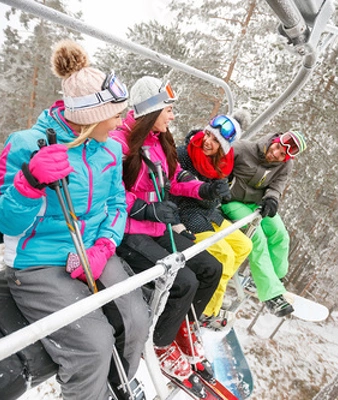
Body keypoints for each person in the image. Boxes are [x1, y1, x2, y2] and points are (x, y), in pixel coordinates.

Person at [0, 40, 149, 400]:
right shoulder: (27, 144)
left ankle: (119, 383)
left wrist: (104, 246)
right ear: (92, 115)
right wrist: (28, 183)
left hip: (92, 251)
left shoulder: (109, 148)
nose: (123, 121)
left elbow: (117, 204)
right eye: (116, 114)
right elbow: (3, 219)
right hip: (38, 263)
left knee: (137, 318)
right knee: (93, 343)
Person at [109, 76, 224, 384]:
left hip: (157, 226)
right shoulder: (120, 142)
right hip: (130, 232)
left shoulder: (160, 140)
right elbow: (112, 192)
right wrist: (146, 208)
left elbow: (175, 177)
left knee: (211, 267)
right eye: (168, 110)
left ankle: (183, 326)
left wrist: (204, 191)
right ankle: (159, 343)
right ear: (152, 110)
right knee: (182, 279)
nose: (173, 116)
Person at [174, 114, 253, 328]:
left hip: (208, 213)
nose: (208, 141)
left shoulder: (221, 166)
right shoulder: (184, 155)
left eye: (216, 140)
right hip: (187, 213)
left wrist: (219, 193)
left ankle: (213, 291)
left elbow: (214, 199)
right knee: (224, 255)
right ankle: (207, 311)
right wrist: (208, 192)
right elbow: (173, 187)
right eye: (208, 134)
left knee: (244, 245)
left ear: (224, 147)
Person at [220, 130, 307, 317]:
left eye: (282, 154)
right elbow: (218, 163)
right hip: (233, 202)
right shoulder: (242, 149)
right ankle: (271, 295)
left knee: (280, 234)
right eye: (277, 147)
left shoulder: (284, 166)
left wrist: (272, 199)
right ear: (272, 140)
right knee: (256, 236)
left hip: (256, 204)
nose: (276, 154)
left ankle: (273, 279)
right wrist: (219, 187)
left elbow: (276, 186)